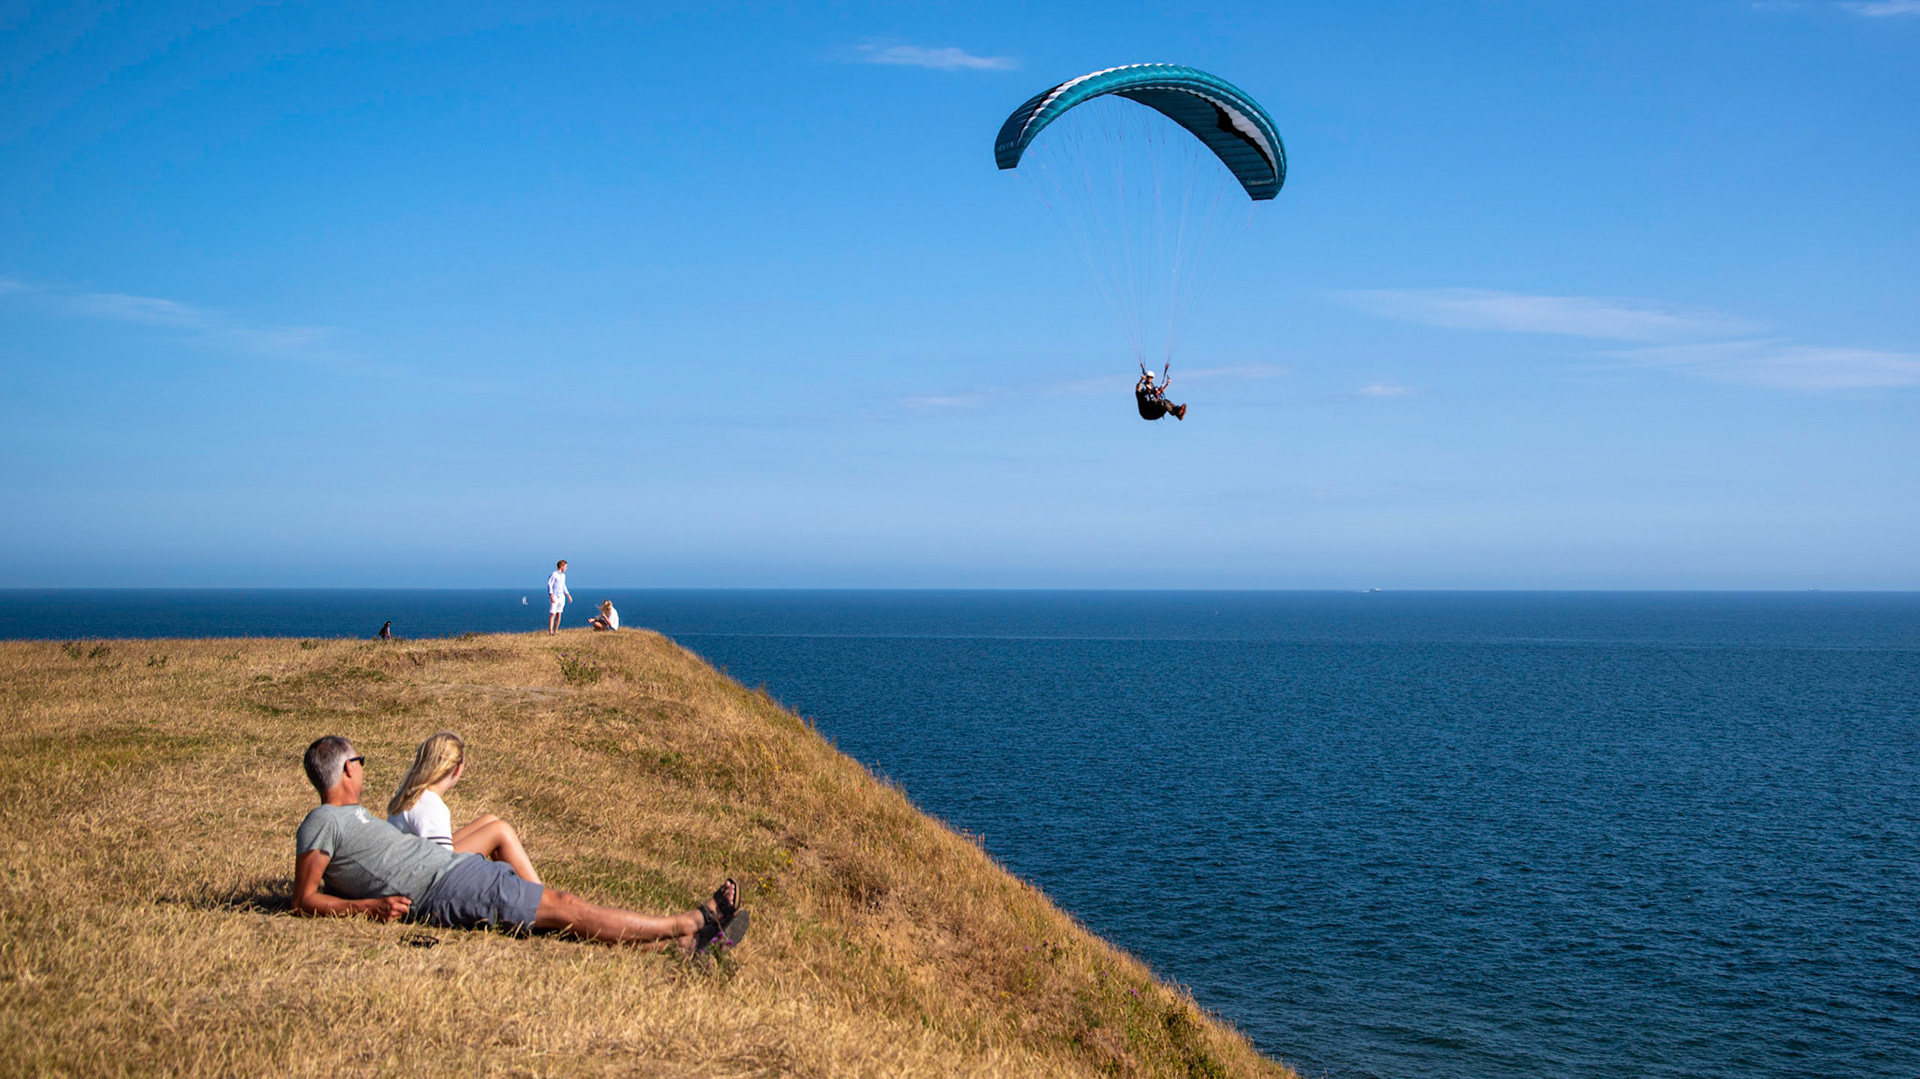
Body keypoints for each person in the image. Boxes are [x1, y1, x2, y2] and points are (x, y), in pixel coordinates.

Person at [294, 735, 748, 950]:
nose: (364, 766)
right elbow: (303, 898)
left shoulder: (354, 816)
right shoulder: (322, 821)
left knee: (559, 911)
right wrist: (368, 909)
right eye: (361, 759)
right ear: (348, 768)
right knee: (562, 905)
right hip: (442, 886)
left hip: (449, 873)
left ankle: (674, 946)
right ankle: (687, 923)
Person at [388, 731, 541, 884]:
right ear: (457, 769)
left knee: (490, 821)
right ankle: (542, 898)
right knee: (501, 831)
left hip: (407, 870)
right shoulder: (430, 804)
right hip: (419, 881)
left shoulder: (412, 794)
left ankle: (519, 889)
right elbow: (442, 867)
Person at [546, 559, 573, 635]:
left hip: (561, 596)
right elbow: (549, 585)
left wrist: (568, 595)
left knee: (559, 613)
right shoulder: (554, 574)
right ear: (561, 566)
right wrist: (551, 596)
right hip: (555, 596)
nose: (566, 568)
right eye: (565, 566)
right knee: (553, 613)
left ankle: (556, 630)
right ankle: (550, 631)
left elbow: (564, 586)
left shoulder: (563, 576)